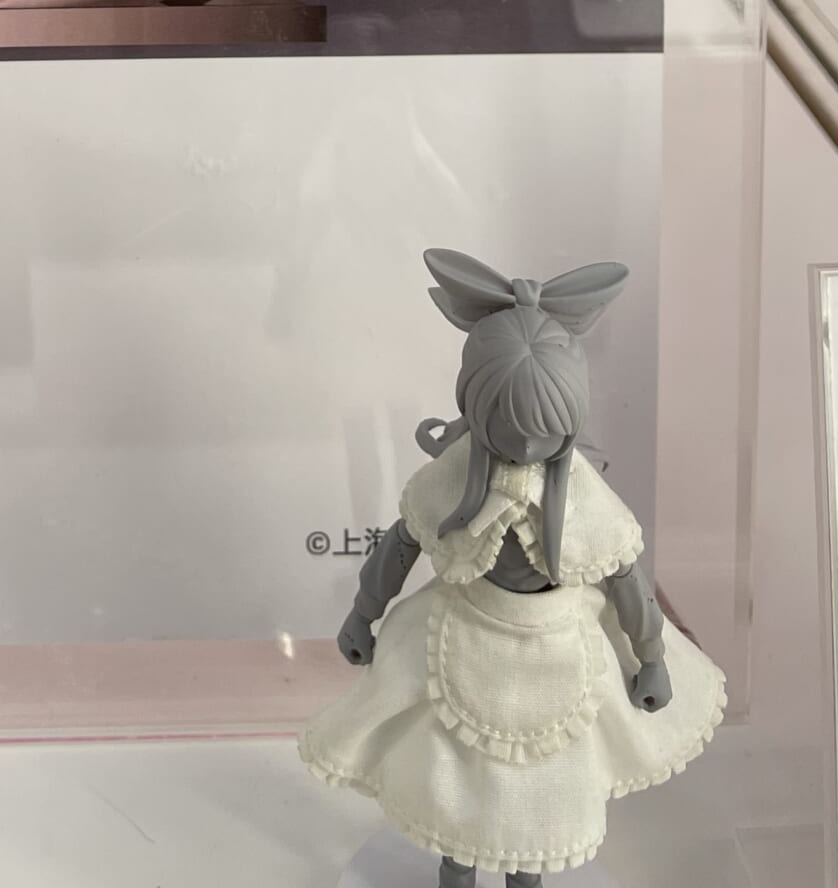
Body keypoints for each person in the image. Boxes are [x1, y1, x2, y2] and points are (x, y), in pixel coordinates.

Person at [300, 251, 723, 887]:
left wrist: (652, 656)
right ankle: (458, 868)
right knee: (456, 786)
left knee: (541, 803)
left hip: (559, 647)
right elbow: (402, 543)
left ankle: (526, 876)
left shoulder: (579, 491)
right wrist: (364, 613)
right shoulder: (455, 475)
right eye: (509, 428)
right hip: (464, 631)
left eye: (545, 431)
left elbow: (624, 575)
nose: (526, 446)